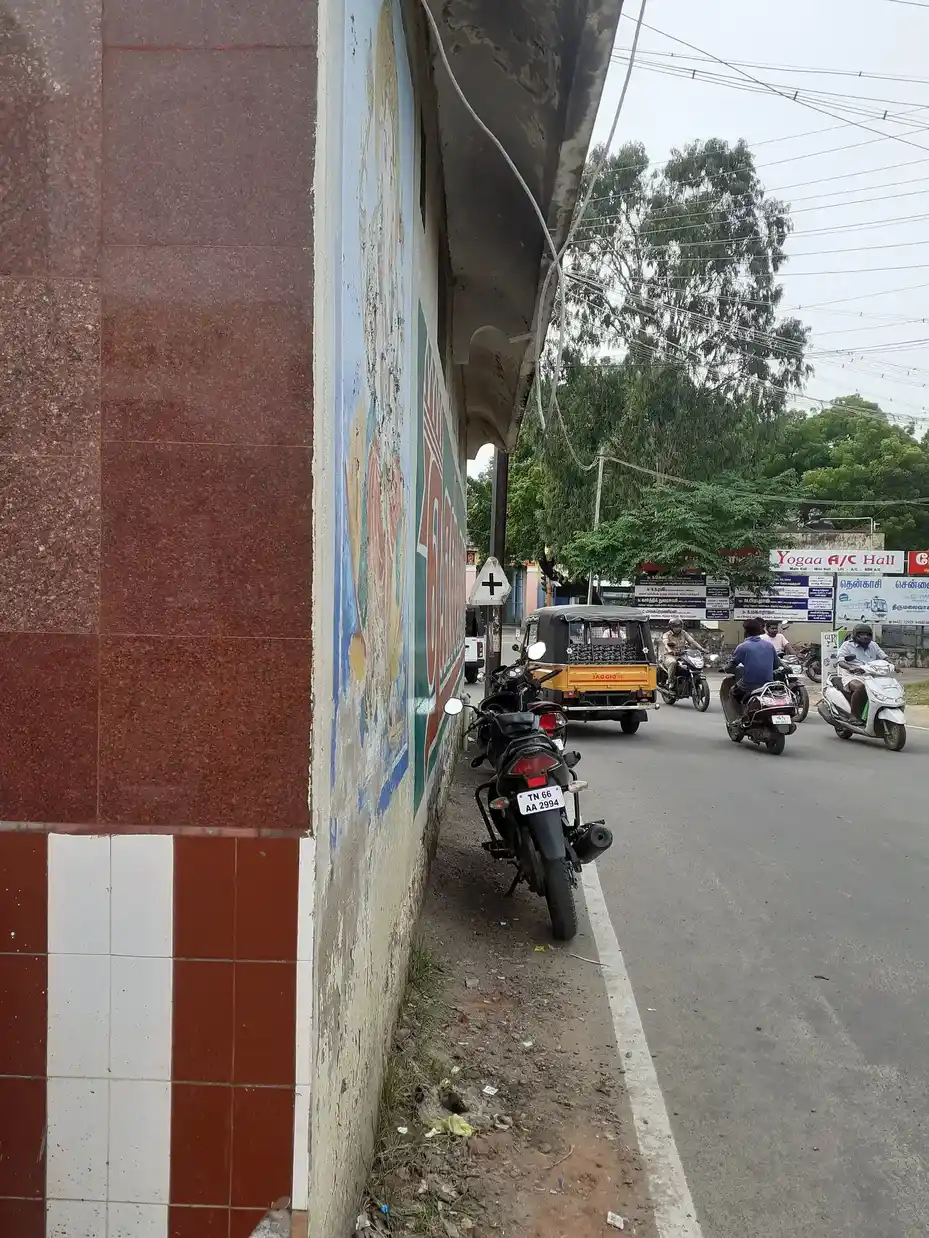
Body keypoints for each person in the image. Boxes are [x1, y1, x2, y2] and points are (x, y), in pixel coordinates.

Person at [836, 623, 889, 721]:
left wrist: (893, 664)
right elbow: (840, 661)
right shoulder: (847, 645)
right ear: (855, 635)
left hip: (872, 675)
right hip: (852, 675)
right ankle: (854, 715)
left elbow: (883, 656)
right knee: (861, 688)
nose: (865, 637)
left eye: (868, 635)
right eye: (862, 634)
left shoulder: (873, 645)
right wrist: (850, 668)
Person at [726, 617, 778, 705]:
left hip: (748, 685)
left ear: (745, 632)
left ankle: (739, 716)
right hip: (768, 685)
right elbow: (776, 665)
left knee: (732, 692)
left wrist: (725, 668)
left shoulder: (742, 647)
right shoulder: (769, 646)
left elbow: (730, 667)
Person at [660, 618, 706, 683]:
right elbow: (665, 643)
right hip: (669, 655)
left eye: (679, 626)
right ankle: (671, 681)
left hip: (683, 655)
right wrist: (670, 650)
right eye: (675, 627)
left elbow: (692, 641)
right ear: (671, 627)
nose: (677, 628)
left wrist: (702, 649)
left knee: (691, 663)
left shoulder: (683, 633)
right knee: (673, 662)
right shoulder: (666, 635)